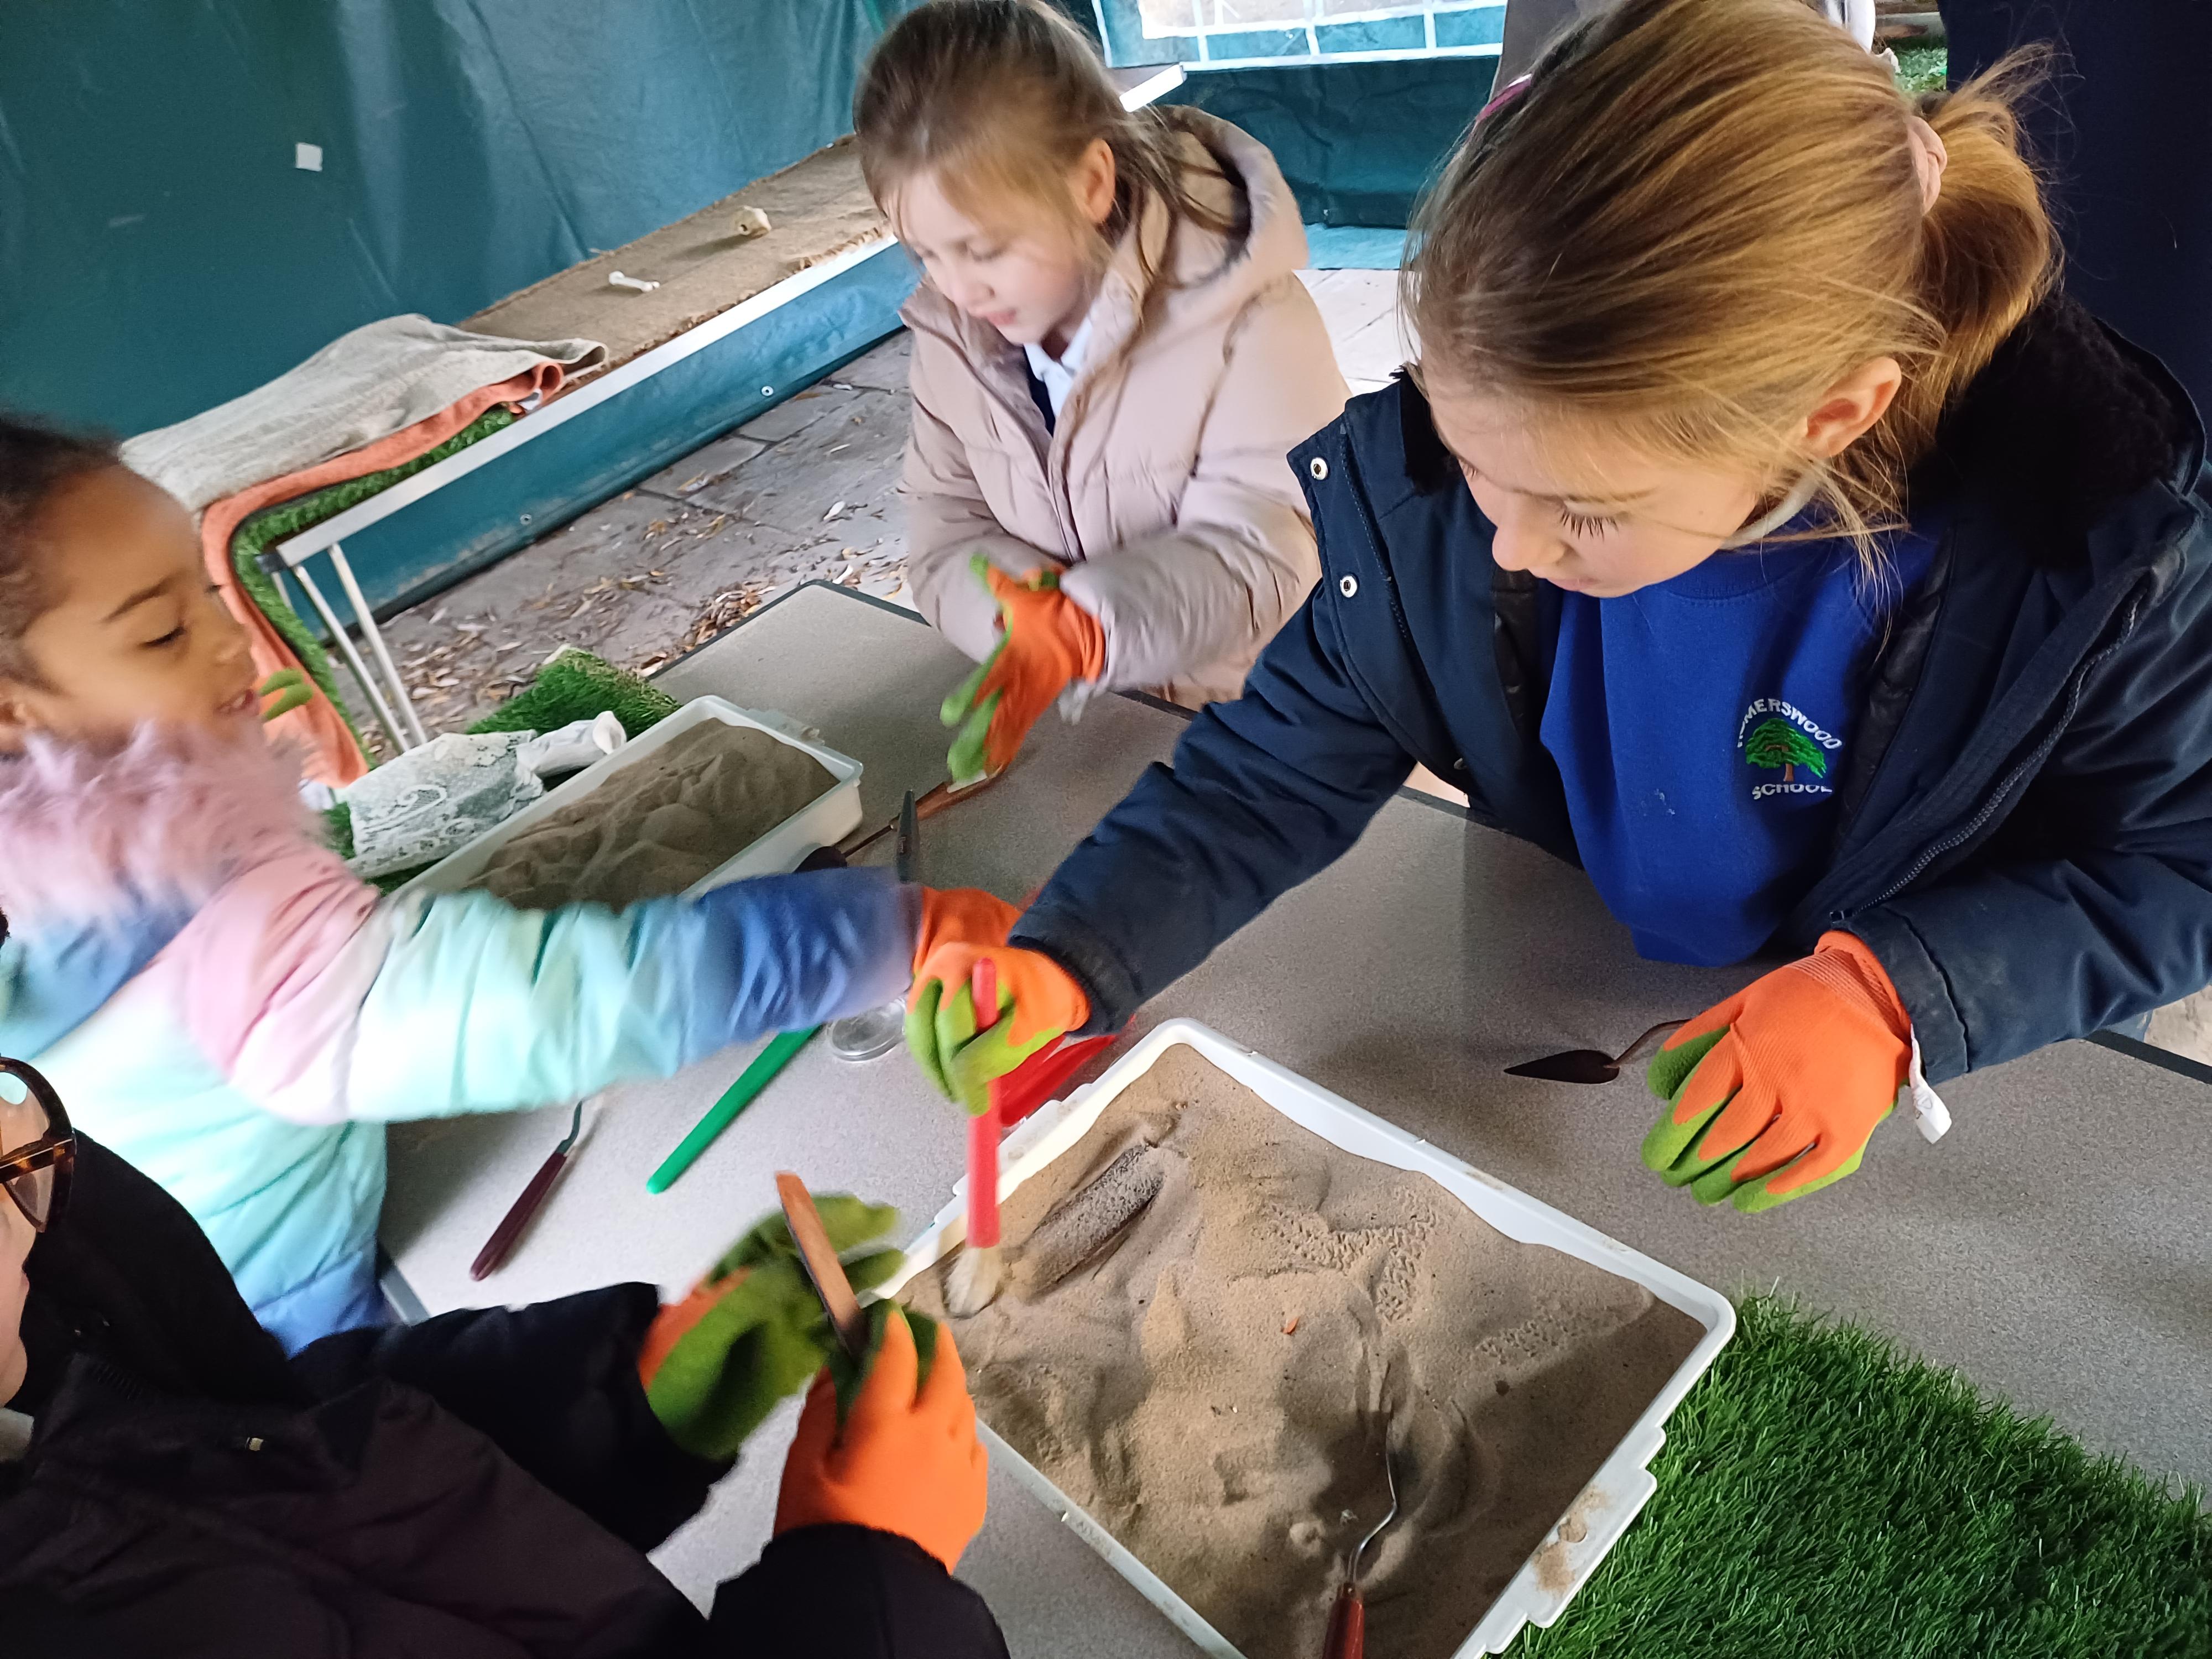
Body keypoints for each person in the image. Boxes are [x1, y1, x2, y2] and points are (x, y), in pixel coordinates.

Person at [904, 0, 2212, 1211]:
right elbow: (1266, 772)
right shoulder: (1444, 514)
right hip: (1592, 975)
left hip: (1957, 1086)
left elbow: (2177, 866)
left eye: (1582, 509)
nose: (1512, 546)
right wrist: (1075, 950)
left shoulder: (2095, 562)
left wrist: (1900, 1000)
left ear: (1827, 416)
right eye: (1476, 459)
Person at [0, 417, 993, 1349]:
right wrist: (883, 932)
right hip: (301, 1327)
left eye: (207, 596)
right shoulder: (229, 931)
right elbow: (561, 1002)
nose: (233, 646)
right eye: (161, 633)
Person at [0, 1055, 1004, 1657]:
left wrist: (611, 1407)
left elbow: (287, 1460)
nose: (22, 1133)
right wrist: (874, 1597)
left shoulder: (59, 1316)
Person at [854, 0, 1348, 786]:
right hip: (1094, 733)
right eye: (927, 254)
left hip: (1268, 743)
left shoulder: (1248, 319)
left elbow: (1273, 546)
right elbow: (944, 521)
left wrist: (1085, 629)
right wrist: (1021, 629)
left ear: (1089, 182)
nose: (957, 288)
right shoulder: (954, 337)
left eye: (985, 248)